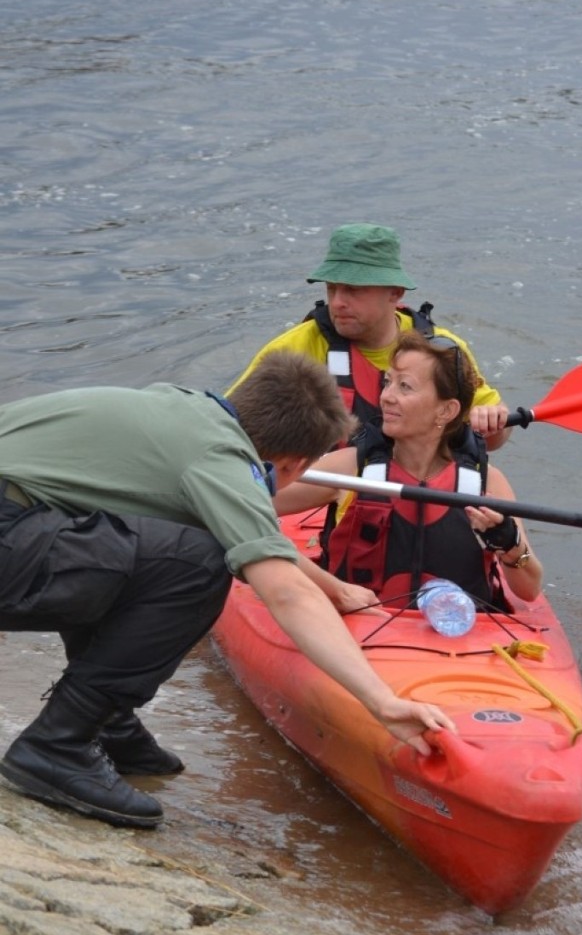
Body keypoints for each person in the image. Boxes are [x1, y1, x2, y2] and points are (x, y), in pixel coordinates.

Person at [0, 353, 454, 831]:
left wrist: (331, 586)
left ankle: (106, 723)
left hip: (19, 519)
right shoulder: (217, 456)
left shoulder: (183, 408)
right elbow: (283, 592)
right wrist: (381, 702)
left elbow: (248, 529)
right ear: (295, 464)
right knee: (197, 563)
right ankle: (59, 743)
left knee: (148, 542)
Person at [272, 331, 542, 609]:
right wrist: (324, 584)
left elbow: (529, 590)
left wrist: (508, 542)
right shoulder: (350, 468)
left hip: (458, 641)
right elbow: (244, 506)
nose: (386, 396)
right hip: (359, 632)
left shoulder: (487, 484)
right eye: (387, 382)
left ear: (446, 411)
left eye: (405, 387)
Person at [226, 223, 510, 450]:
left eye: (353, 289)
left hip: (412, 486)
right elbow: (226, 424)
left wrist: (493, 424)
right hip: (324, 491)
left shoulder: (442, 350)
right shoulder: (295, 348)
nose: (337, 302)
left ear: (395, 292)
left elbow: (495, 440)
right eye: (332, 288)